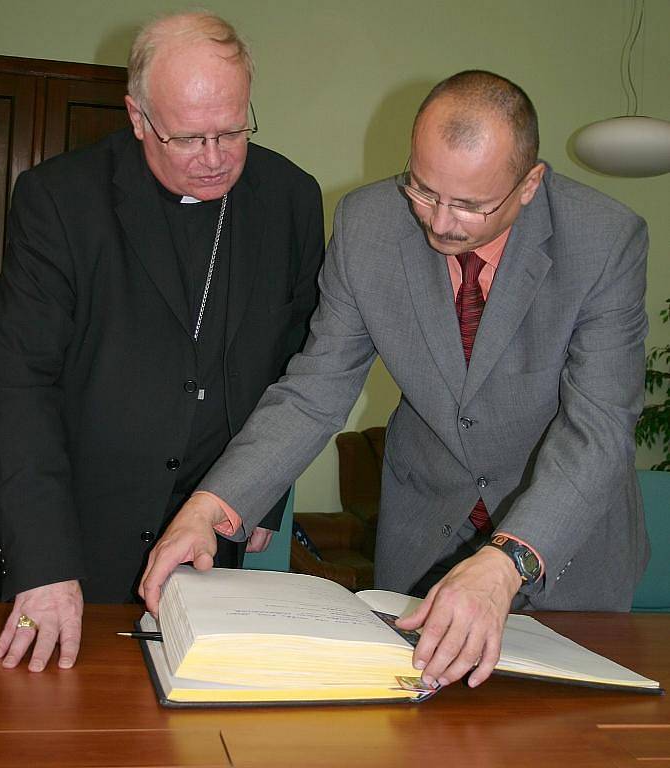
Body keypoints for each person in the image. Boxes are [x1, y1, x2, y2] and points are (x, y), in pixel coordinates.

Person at [147, 69, 648, 689]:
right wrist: (211, 505)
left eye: (469, 205)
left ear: (529, 184)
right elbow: (316, 388)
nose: (439, 223)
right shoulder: (369, 225)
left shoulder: (604, 240)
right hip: (425, 531)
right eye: (423, 188)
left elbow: (599, 426)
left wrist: (508, 561)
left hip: (562, 547)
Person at [0, 12, 324, 671]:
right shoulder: (59, 201)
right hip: (78, 533)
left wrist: (260, 490)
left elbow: (298, 364)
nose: (215, 158)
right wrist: (43, 561)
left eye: (233, 131)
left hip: (213, 535)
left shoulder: (291, 197)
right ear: (139, 117)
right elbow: (18, 384)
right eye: (189, 138)